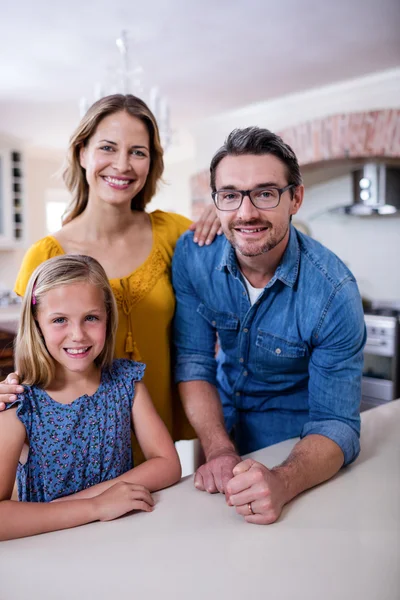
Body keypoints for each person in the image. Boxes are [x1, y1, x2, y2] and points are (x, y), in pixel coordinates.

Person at [0, 94, 221, 461]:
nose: (123, 165)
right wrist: (8, 388)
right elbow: (34, 360)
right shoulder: (45, 256)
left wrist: (225, 209)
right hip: (85, 449)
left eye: (138, 152)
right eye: (107, 148)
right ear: (82, 153)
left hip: (164, 446)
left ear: (151, 163)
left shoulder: (175, 234)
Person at [172, 126, 366, 525]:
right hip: (216, 425)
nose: (245, 213)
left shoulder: (333, 293)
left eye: (265, 193)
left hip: (294, 446)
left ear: (295, 198)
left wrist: (283, 481)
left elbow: (337, 424)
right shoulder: (193, 256)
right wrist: (218, 448)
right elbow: (194, 361)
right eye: (230, 196)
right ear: (217, 201)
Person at [0, 255, 181, 540]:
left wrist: (96, 502)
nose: (78, 334)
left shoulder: (126, 382)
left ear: (108, 317)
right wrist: (94, 506)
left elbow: (168, 464)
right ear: (36, 324)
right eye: (59, 320)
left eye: (91, 318)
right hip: (48, 552)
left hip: (121, 539)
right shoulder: (19, 402)